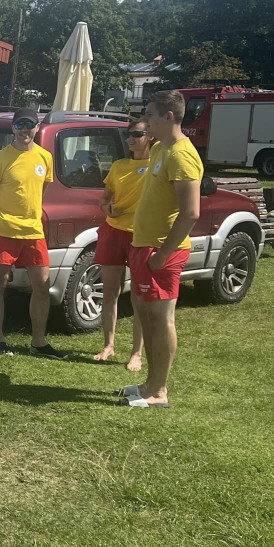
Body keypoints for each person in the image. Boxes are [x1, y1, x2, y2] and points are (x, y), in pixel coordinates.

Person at [119, 90, 203, 407]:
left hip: (161, 251)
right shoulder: (160, 150)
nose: (146, 120)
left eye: (151, 114)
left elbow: (191, 212)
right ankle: (149, 385)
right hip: (145, 246)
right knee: (147, 317)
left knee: (161, 318)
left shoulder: (182, 155)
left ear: (168, 117)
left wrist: (162, 255)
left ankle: (158, 391)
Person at [0, 107, 65, 359]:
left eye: (29, 124)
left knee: (42, 286)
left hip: (33, 233)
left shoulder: (45, 157)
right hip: (3, 232)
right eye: (20, 125)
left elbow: (42, 190)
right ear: (13, 128)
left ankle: (38, 342)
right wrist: (2, 216)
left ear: (37, 128)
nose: (25, 129)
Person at [94, 117, 150, 371]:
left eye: (137, 134)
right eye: (129, 134)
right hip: (113, 231)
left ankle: (136, 353)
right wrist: (108, 209)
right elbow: (104, 199)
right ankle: (108, 344)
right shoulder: (119, 165)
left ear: (150, 136)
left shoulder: (158, 166)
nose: (131, 138)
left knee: (140, 296)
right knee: (109, 292)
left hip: (142, 235)